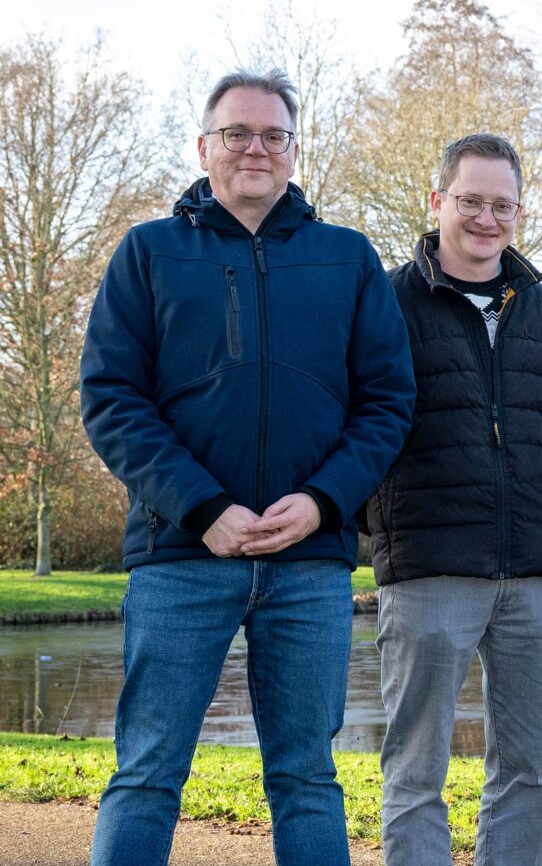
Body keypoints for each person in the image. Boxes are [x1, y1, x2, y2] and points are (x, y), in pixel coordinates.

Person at [78, 69, 415, 866]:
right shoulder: (148, 252)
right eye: (237, 133)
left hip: (310, 562)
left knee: (307, 779)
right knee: (148, 773)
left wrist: (324, 501)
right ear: (205, 147)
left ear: (294, 150)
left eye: (273, 134)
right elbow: (112, 400)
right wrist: (203, 507)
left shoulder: (347, 257)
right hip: (179, 556)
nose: (255, 148)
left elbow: (388, 403)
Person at [366, 133, 542, 866]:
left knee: (525, 769)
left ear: (519, 211)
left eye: (502, 205)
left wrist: (529, 494)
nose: (486, 219)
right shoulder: (386, 302)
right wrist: (387, 518)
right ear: (437, 201)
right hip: (429, 562)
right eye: (470, 201)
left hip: (533, 571)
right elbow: (358, 424)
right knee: (416, 770)